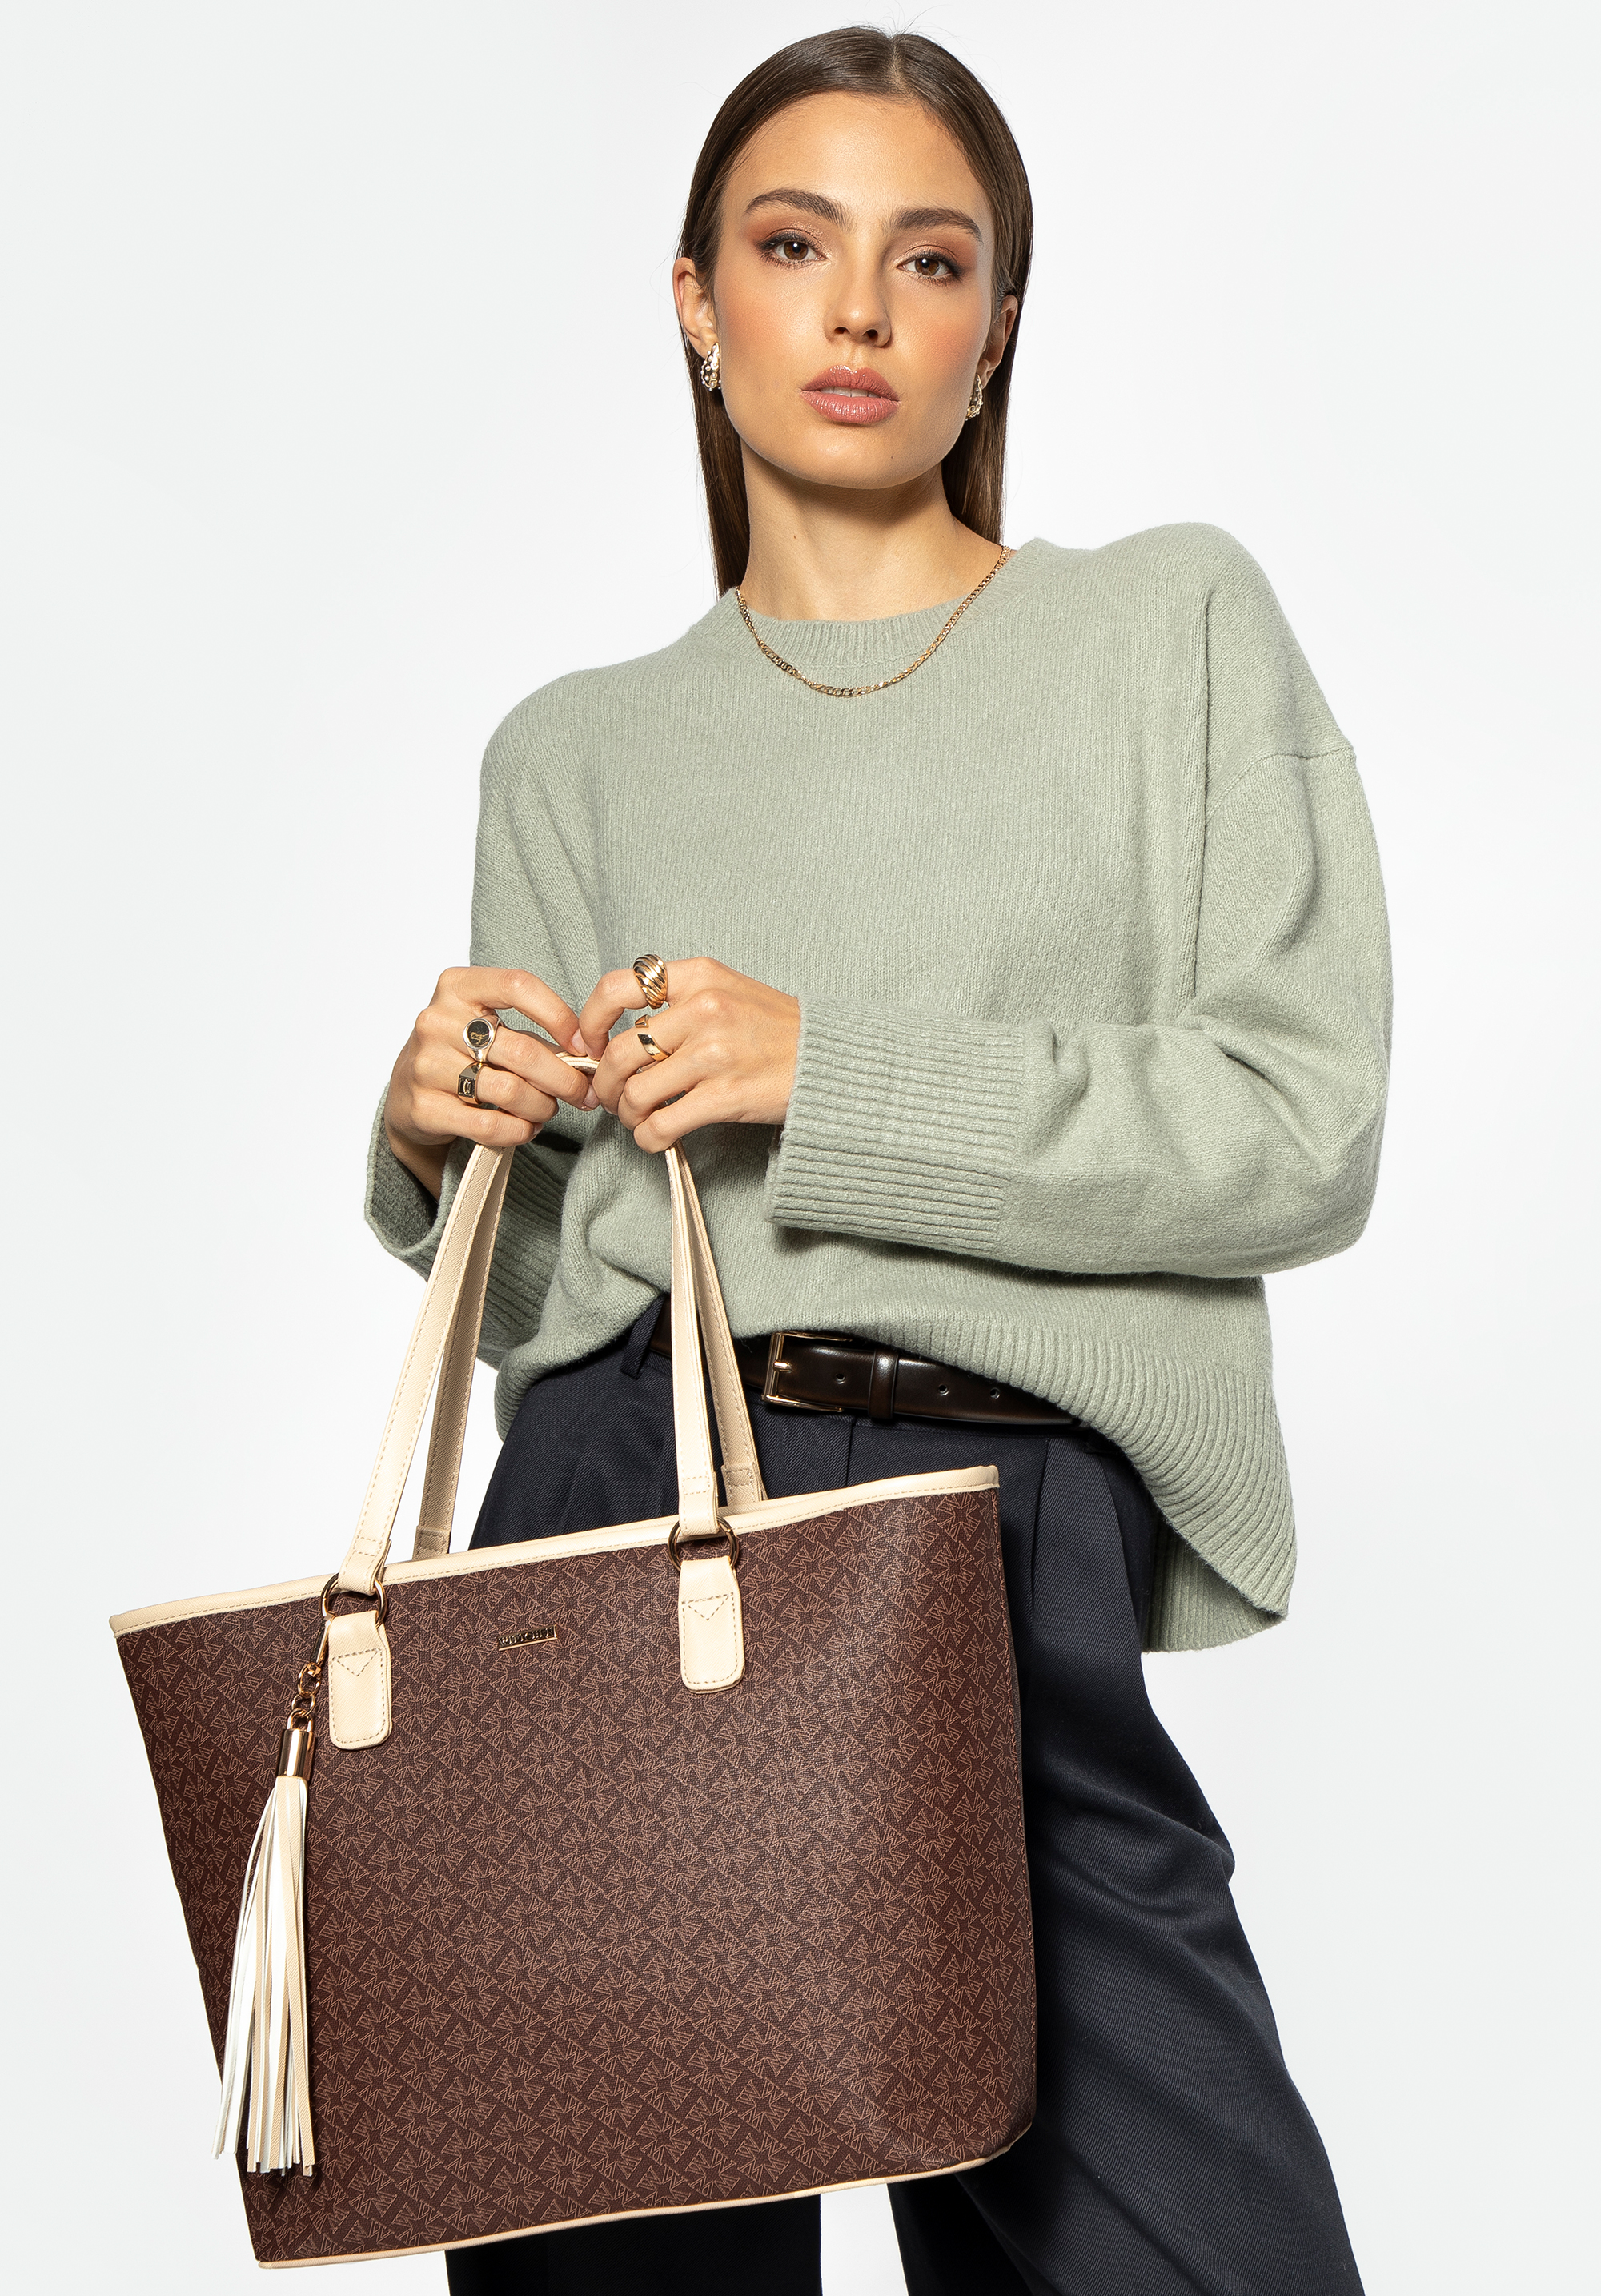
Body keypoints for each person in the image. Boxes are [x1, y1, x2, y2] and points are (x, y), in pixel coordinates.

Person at [369, 26, 1388, 2296]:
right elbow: (556, 1298)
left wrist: (826, 1074)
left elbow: (1298, 1119)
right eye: (792, 244)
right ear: (695, 301)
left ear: (995, 325)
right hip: (614, 1513)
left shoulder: (1165, 629)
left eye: (930, 259)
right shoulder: (573, 751)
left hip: (995, 1518)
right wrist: (443, 1141)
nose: (857, 309)